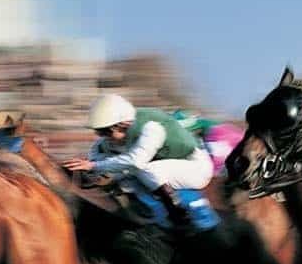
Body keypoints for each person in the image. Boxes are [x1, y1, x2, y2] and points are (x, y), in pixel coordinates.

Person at [63, 94, 214, 226]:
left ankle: (177, 212)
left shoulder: (151, 127)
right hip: (164, 168)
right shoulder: (116, 135)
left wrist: (93, 165)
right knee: (128, 176)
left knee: (145, 170)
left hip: (196, 168)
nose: (102, 137)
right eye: (99, 132)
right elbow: (99, 158)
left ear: (120, 125)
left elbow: (136, 161)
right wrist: (88, 168)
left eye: (105, 131)